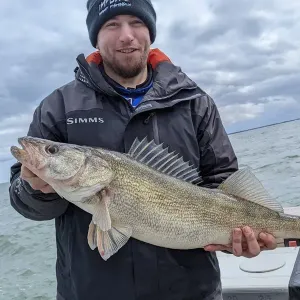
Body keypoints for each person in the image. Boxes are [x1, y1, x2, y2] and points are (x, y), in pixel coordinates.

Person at [9, 0, 277, 299]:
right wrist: (35, 189)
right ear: (95, 38)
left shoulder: (194, 102)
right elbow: (24, 203)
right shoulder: (57, 107)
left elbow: (223, 179)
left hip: (191, 291)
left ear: (150, 32)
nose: (126, 35)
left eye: (136, 23)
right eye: (112, 25)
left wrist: (241, 239)